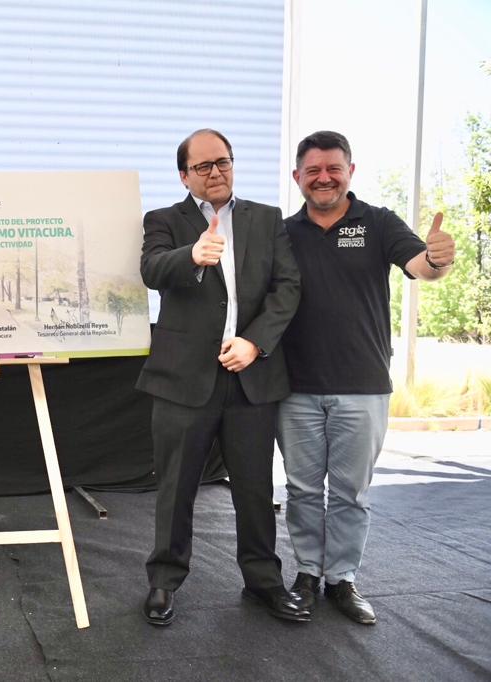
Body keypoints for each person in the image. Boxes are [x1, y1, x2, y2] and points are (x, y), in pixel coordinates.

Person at [279, 131, 455, 624]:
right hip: (294, 388)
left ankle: (342, 579)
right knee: (302, 490)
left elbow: (422, 266)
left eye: (333, 168)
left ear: (350, 171)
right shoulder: (282, 232)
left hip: (363, 386)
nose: (324, 178)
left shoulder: (377, 223)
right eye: (313, 170)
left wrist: (438, 259)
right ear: (297, 177)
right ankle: (307, 574)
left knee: (351, 493)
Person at [135, 128, 307, 626]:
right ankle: (164, 581)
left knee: (254, 489)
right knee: (176, 488)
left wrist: (255, 342)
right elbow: (151, 269)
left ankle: (263, 582)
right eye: (203, 166)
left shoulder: (265, 219)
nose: (216, 172)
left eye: (223, 162)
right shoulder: (165, 220)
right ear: (184, 175)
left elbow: (287, 287)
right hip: (183, 381)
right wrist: (192, 255)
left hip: (251, 376)